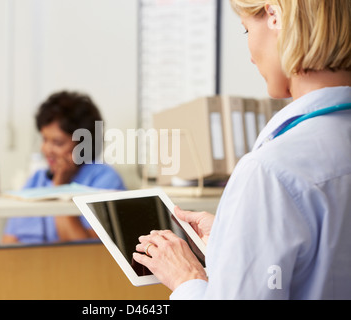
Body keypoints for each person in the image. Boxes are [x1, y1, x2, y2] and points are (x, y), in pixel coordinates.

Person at [134, 0, 351, 299]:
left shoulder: (271, 171)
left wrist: (187, 280)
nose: (250, 55)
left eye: (246, 29)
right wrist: (232, 233)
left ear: (274, 16)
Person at [3, 91, 126, 244]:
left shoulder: (106, 179)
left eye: (58, 143)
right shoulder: (37, 179)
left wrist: (60, 186)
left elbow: (85, 250)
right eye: (44, 139)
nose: (46, 149)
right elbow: (8, 241)